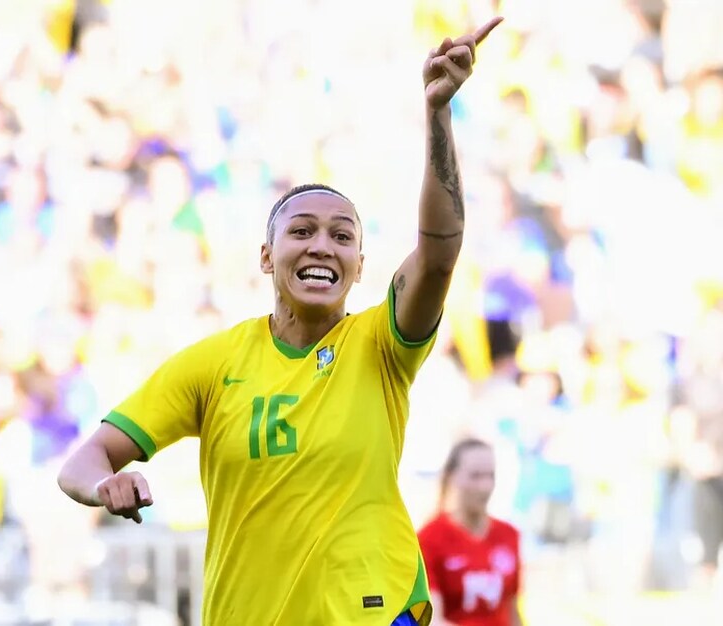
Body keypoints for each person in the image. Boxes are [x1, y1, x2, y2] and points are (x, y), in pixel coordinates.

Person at [58, 17, 504, 625]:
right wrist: (102, 486)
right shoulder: (213, 364)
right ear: (267, 257)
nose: (322, 245)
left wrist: (438, 116)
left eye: (341, 236)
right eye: (301, 231)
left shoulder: (381, 344)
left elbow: (439, 251)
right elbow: (84, 460)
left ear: (358, 265)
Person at [417, 439, 523, 626]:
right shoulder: (429, 538)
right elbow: (432, 619)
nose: (485, 486)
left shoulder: (509, 535)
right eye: (475, 476)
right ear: (451, 477)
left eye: (490, 476)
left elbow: (512, 610)